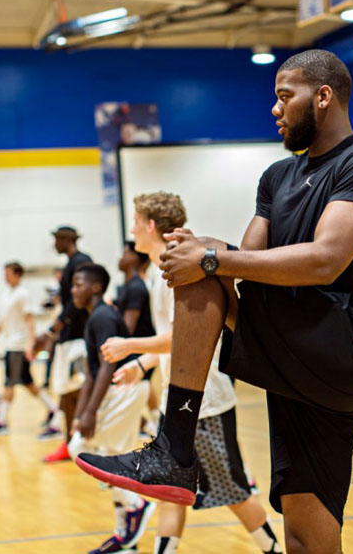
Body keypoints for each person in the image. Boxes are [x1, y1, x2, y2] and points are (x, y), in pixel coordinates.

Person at [76, 49, 353, 553]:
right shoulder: (277, 177)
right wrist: (204, 249)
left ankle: (174, 448)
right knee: (303, 529)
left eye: (283, 96)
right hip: (297, 354)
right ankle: (175, 451)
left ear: (323, 97)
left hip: (349, 344)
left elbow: (325, 260)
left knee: (204, 265)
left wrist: (209, 258)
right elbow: (248, 265)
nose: (274, 109)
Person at [101, 193, 282, 554]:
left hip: (206, 402)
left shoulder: (180, 269)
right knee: (169, 488)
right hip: (179, 399)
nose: (132, 228)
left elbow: (183, 338)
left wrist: (131, 347)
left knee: (232, 489)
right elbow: (175, 342)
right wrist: (143, 365)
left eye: (136, 221)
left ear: (151, 226)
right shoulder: (156, 270)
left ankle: (273, 550)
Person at [66, 262, 156, 554]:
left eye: (78, 284)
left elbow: (106, 367)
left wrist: (90, 413)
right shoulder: (94, 317)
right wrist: (80, 413)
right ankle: (124, 536)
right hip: (118, 392)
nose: (72, 289)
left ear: (95, 287)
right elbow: (91, 374)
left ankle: (137, 504)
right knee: (111, 460)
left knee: (82, 449)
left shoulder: (103, 317)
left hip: (124, 390)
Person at [35, 226, 92, 461]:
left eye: (57, 239)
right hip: (69, 337)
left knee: (77, 392)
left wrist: (51, 330)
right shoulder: (71, 263)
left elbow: (77, 302)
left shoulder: (81, 261)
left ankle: (81, 443)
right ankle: (70, 443)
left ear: (68, 240)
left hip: (80, 337)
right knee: (67, 391)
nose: (54, 244)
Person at [0, 262, 58, 436]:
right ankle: (54, 408)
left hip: (19, 345)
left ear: (17, 275)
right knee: (28, 383)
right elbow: (3, 322)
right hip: (10, 344)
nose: (5, 277)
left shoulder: (23, 294)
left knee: (10, 382)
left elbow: (29, 319)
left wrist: (31, 344)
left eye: (8, 273)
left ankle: (1, 420)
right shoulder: (6, 294)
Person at [115, 241, 160, 436]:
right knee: (143, 386)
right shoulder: (130, 285)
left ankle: (154, 425)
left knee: (131, 390)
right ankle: (155, 424)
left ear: (134, 257)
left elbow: (128, 327)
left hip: (139, 349)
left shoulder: (135, 287)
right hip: (138, 349)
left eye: (125, 253)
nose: (121, 257)